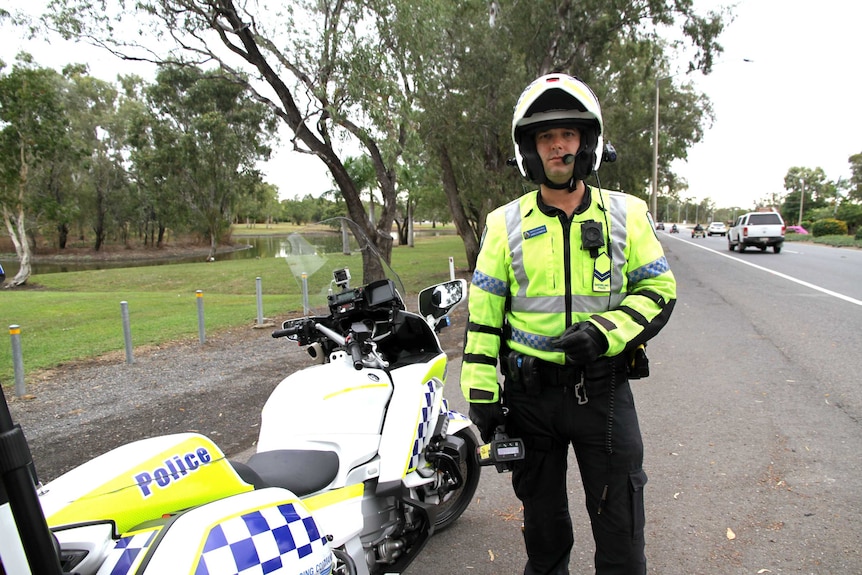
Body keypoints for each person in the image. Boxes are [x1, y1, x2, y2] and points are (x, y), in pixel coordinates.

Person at [461, 73, 677, 575]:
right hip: (530, 399)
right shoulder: (504, 223)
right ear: (530, 151)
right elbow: (484, 315)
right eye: (545, 136)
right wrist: (480, 394)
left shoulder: (627, 214)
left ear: (588, 144)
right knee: (544, 530)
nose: (558, 146)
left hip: (603, 394)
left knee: (620, 528)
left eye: (568, 135)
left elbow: (658, 293)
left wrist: (606, 332)